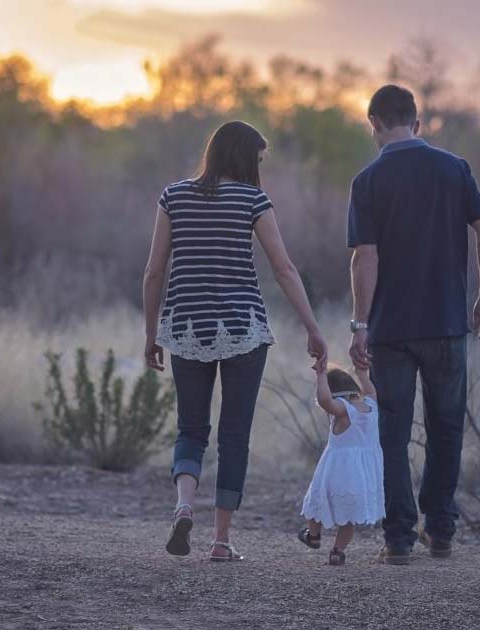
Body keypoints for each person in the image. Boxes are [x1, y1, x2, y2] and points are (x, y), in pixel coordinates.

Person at [142, 120, 328, 562]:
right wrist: (312, 327)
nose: (260, 167)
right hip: (243, 329)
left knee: (191, 428)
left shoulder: (173, 197)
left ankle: (184, 505)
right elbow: (284, 269)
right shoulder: (253, 200)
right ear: (245, 157)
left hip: (186, 328)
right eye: (259, 159)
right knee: (234, 436)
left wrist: (152, 334)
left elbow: (153, 272)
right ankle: (221, 541)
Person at [346, 85, 480, 565]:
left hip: (391, 330)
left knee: (392, 434)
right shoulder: (454, 169)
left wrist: (359, 324)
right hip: (447, 324)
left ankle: (398, 540)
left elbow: (364, 258)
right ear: (417, 122)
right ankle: (441, 531)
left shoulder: (367, 181)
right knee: (446, 428)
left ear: (373, 122)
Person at [297, 364, 384, 566]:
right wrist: (362, 373)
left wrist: (320, 377)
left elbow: (326, 401)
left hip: (336, 472)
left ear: (336, 394)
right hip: (362, 476)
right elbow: (370, 389)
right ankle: (337, 551)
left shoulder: (343, 411)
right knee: (349, 517)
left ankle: (314, 535)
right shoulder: (372, 405)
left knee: (316, 502)